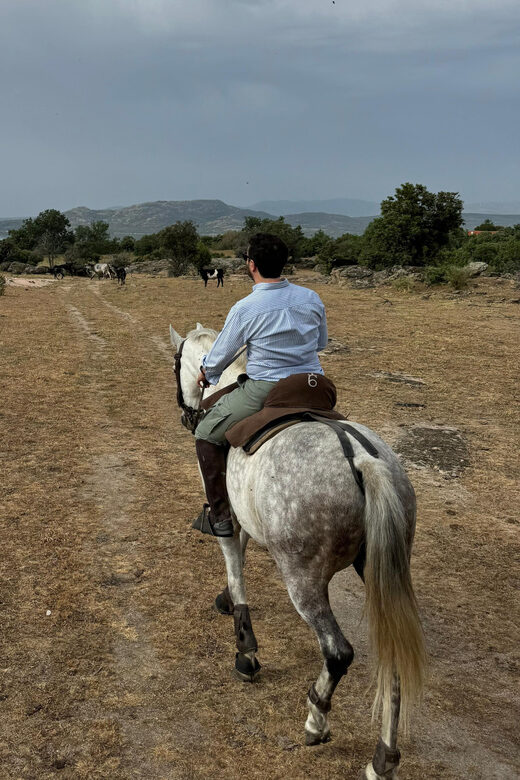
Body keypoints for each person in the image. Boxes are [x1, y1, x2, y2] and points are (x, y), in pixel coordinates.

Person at [194, 232, 328, 536]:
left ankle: (221, 517)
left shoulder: (245, 308)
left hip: (268, 388)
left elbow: (219, 357)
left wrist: (206, 372)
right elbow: (320, 343)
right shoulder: (311, 297)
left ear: (251, 264)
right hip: (315, 386)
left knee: (205, 433)